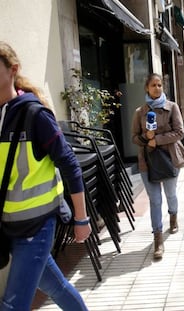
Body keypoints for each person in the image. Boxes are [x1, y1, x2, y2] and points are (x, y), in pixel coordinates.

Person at [0, 41, 91, 310]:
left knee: (12, 304)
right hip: (9, 226)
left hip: (37, 225)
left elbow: (70, 164)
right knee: (55, 286)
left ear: (13, 70)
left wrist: (81, 218)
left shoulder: (34, 114)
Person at [132, 73, 184, 260]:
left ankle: (173, 216)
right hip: (147, 162)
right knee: (155, 200)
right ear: (147, 88)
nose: (157, 88)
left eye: (159, 85)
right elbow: (134, 137)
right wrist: (145, 139)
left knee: (170, 194)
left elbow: (180, 132)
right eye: (153, 85)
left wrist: (157, 139)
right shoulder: (140, 112)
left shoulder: (172, 107)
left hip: (169, 158)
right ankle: (158, 238)